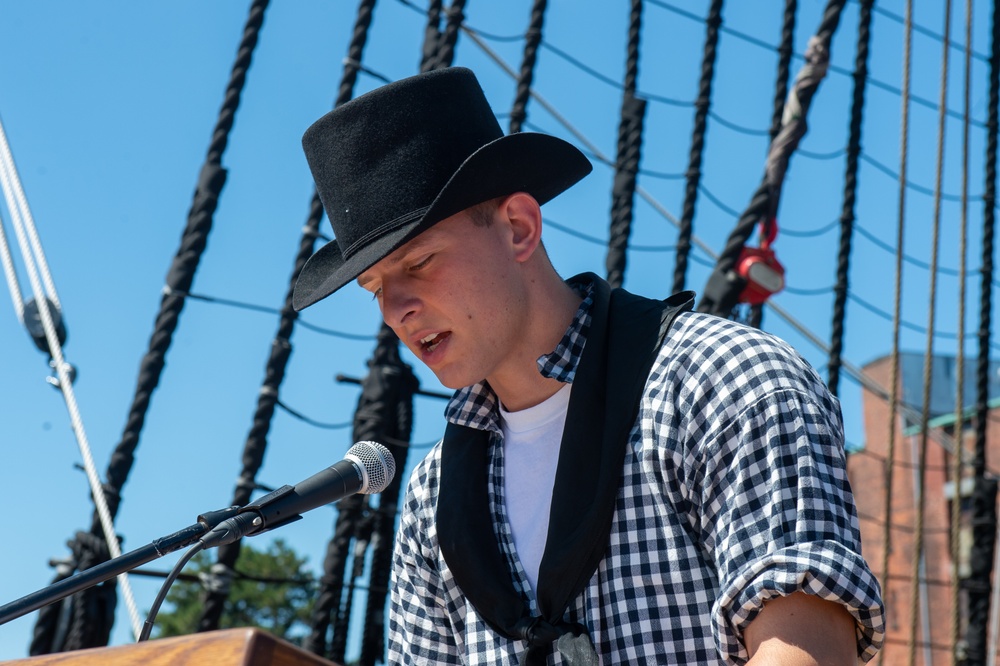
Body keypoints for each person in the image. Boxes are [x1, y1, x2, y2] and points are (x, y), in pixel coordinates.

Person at [292, 67, 884, 665]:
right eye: (374, 288)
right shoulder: (432, 497)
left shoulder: (727, 383)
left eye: (419, 262)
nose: (396, 309)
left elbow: (810, 653)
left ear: (519, 228)